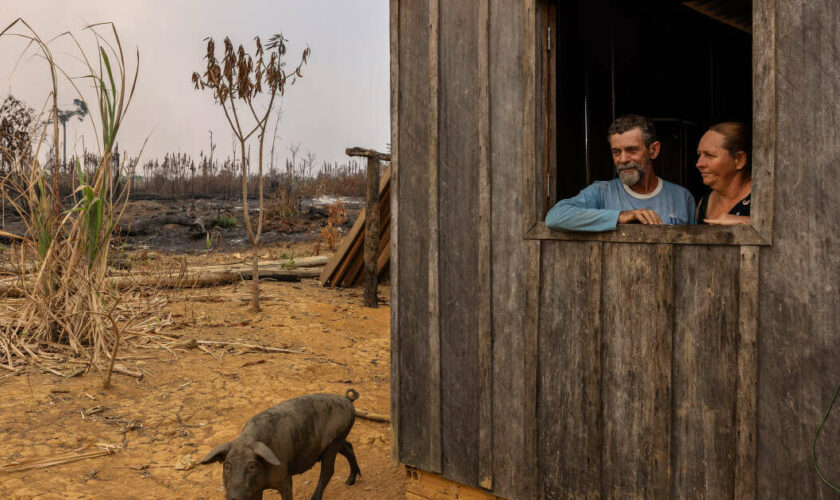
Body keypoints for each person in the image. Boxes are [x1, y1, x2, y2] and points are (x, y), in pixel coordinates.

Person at [545, 114, 696, 232]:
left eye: (632, 150)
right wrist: (620, 216)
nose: (623, 159)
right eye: (616, 152)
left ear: (653, 150)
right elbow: (554, 217)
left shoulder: (682, 197)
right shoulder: (602, 192)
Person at [695, 122, 751, 225]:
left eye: (709, 155)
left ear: (739, 160)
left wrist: (748, 222)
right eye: (699, 155)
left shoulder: (764, 198)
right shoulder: (704, 203)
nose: (699, 164)